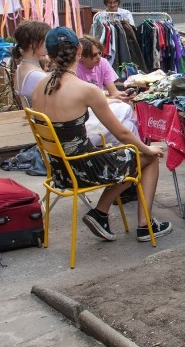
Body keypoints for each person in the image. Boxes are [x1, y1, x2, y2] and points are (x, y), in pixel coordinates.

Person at [30, 26, 172, 243]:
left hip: (58, 169)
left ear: (48, 54)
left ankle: (101, 214)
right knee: (148, 158)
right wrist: (147, 148)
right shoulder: (86, 89)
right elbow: (123, 133)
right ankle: (144, 225)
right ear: (79, 50)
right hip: (83, 169)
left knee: (124, 156)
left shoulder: (39, 86)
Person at [76, 34, 140, 147]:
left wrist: (123, 95)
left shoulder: (103, 63)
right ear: (82, 57)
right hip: (87, 113)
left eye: (99, 53)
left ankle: (133, 151)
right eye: (94, 55)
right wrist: (113, 99)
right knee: (127, 117)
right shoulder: (77, 68)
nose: (98, 57)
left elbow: (114, 92)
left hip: (100, 106)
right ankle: (138, 152)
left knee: (128, 122)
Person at [11, 20, 52, 106]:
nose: (49, 43)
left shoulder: (20, 67)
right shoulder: (37, 75)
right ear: (31, 43)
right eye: (45, 40)